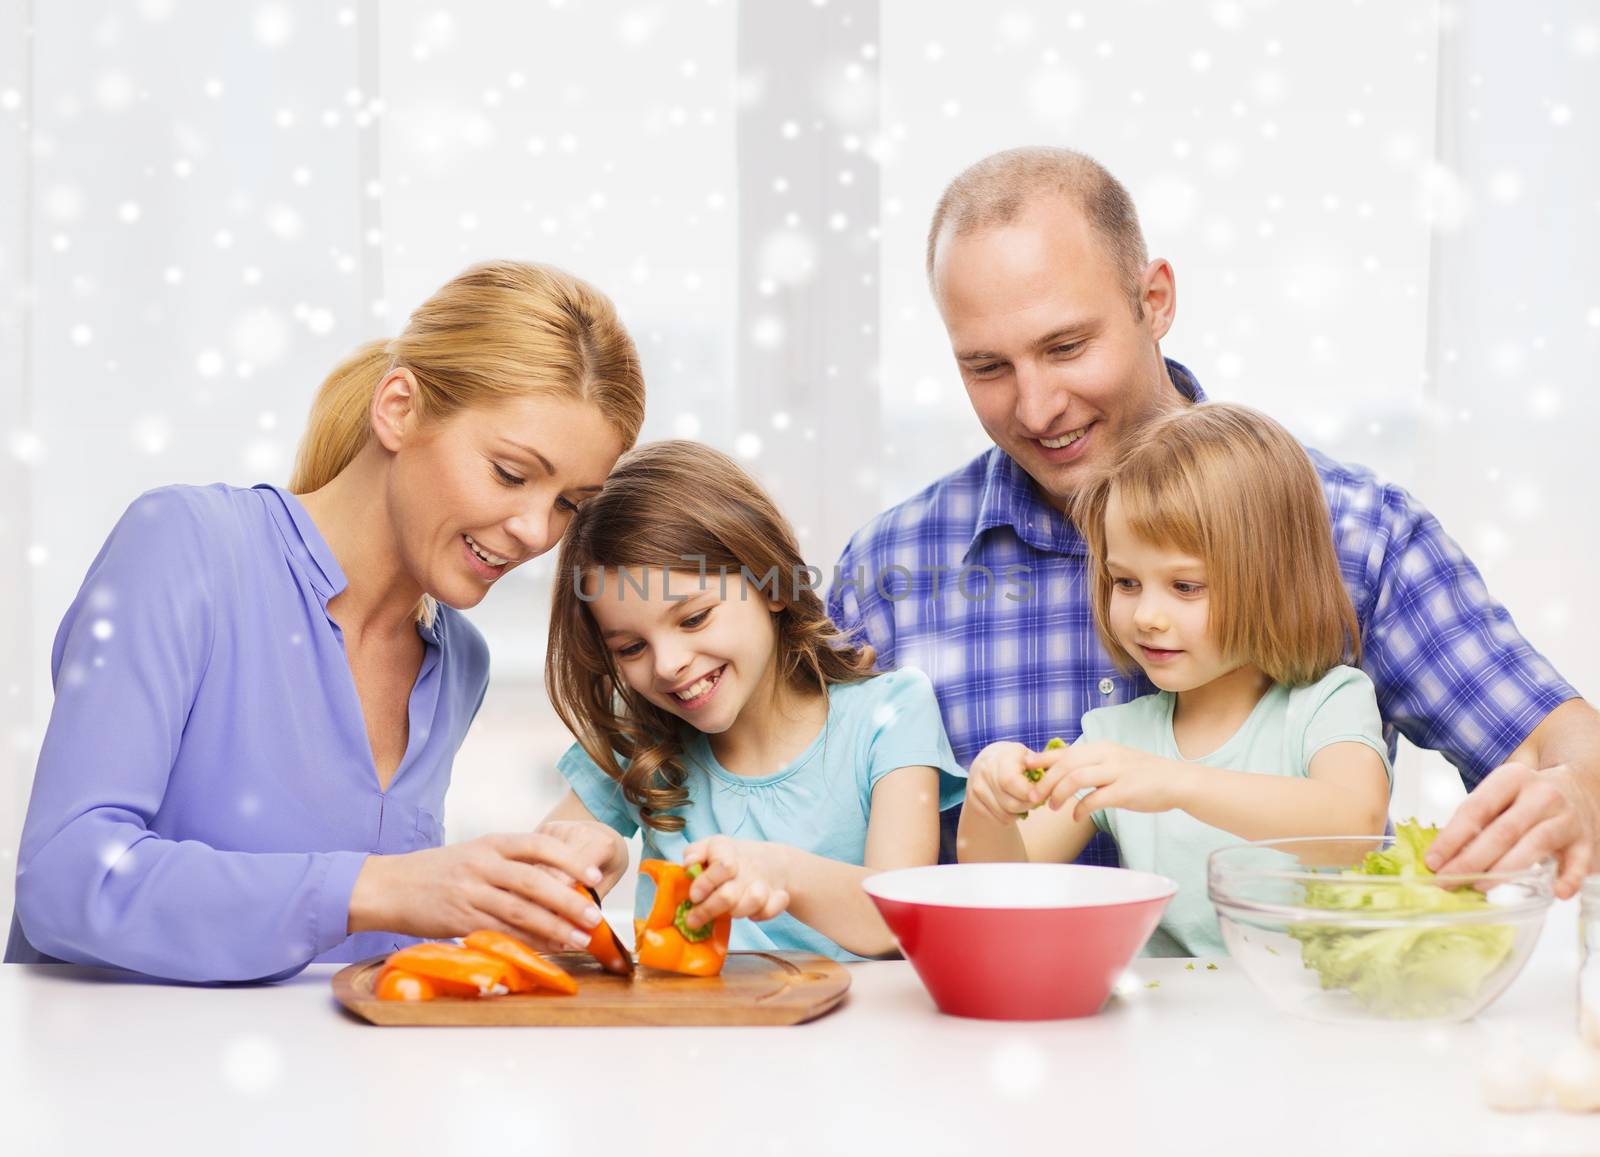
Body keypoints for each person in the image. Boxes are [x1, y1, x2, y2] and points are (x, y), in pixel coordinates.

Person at [829, 146, 1598, 896]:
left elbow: (1552, 745)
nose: (1035, 408)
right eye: (987, 367)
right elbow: (804, 834)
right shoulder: (891, 569)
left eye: (1067, 346)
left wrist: (1578, 795)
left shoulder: (1355, 531)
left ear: (1154, 300)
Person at [7, 260, 646, 981]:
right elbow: (65, 878)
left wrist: (530, 892)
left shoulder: (458, 661)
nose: (536, 530)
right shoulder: (186, 545)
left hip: (333, 1089)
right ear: (399, 408)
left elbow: (357, 956)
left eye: (570, 503)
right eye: (510, 472)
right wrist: (381, 886)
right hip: (125, 1082)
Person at [958, 404, 1391, 955]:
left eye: (1186, 587)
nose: (1146, 617)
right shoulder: (1117, 743)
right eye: (1127, 582)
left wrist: (1179, 784)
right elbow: (1000, 889)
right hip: (1166, 1029)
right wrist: (988, 801)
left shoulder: (1326, 704)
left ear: (1275, 583)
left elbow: (1354, 828)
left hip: (1307, 1014)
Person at [543, 440, 965, 961]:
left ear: (772, 584)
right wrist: (582, 860)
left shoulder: (891, 713)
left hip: (851, 1037)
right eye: (631, 647)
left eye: (694, 618)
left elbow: (897, 921)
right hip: (684, 1034)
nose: (668, 663)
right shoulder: (641, 734)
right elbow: (535, 890)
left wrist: (778, 872)